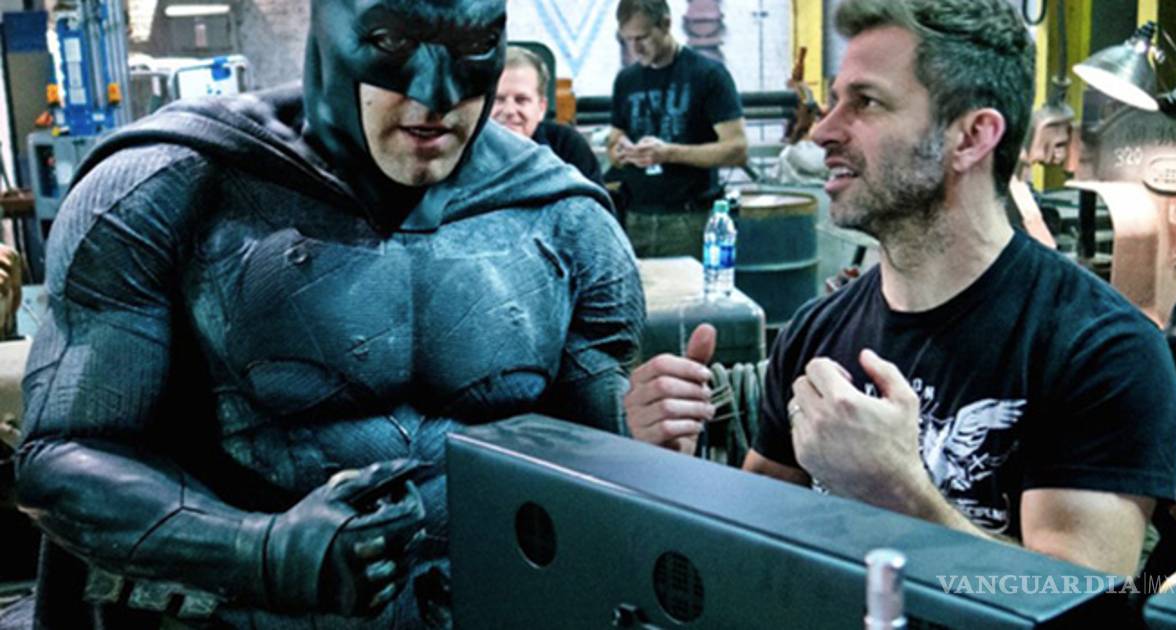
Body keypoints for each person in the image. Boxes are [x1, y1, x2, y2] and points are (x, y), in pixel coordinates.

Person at [11, 0, 644, 627]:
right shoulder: (169, 186)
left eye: (474, 47)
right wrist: (257, 552)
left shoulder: (565, 219)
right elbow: (61, 458)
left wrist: (654, 437)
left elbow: (601, 480)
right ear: (327, 29)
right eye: (394, 43)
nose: (438, 94)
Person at [624, 0, 1176, 577]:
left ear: (971, 137)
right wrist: (671, 467)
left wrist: (902, 492)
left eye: (865, 102)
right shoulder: (814, 333)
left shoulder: (1101, 349)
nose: (823, 130)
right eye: (834, 100)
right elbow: (754, 551)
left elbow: (1084, 605)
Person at [607, 0, 748, 258]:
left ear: (666, 24)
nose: (635, 48)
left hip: (689, 219)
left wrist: (668, 153)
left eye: (642, 37)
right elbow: (615, 138)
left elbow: (737, 149)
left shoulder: (708, 75)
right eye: (628, 39)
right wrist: (621, 150)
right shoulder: (626, 80)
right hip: (634, 218)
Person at [491, 46, 605, 188]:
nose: (509, 110)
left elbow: (594, 201)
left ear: (541, 108)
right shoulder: (465, 150)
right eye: (498, 99)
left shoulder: (566, 146)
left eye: (521, 100)